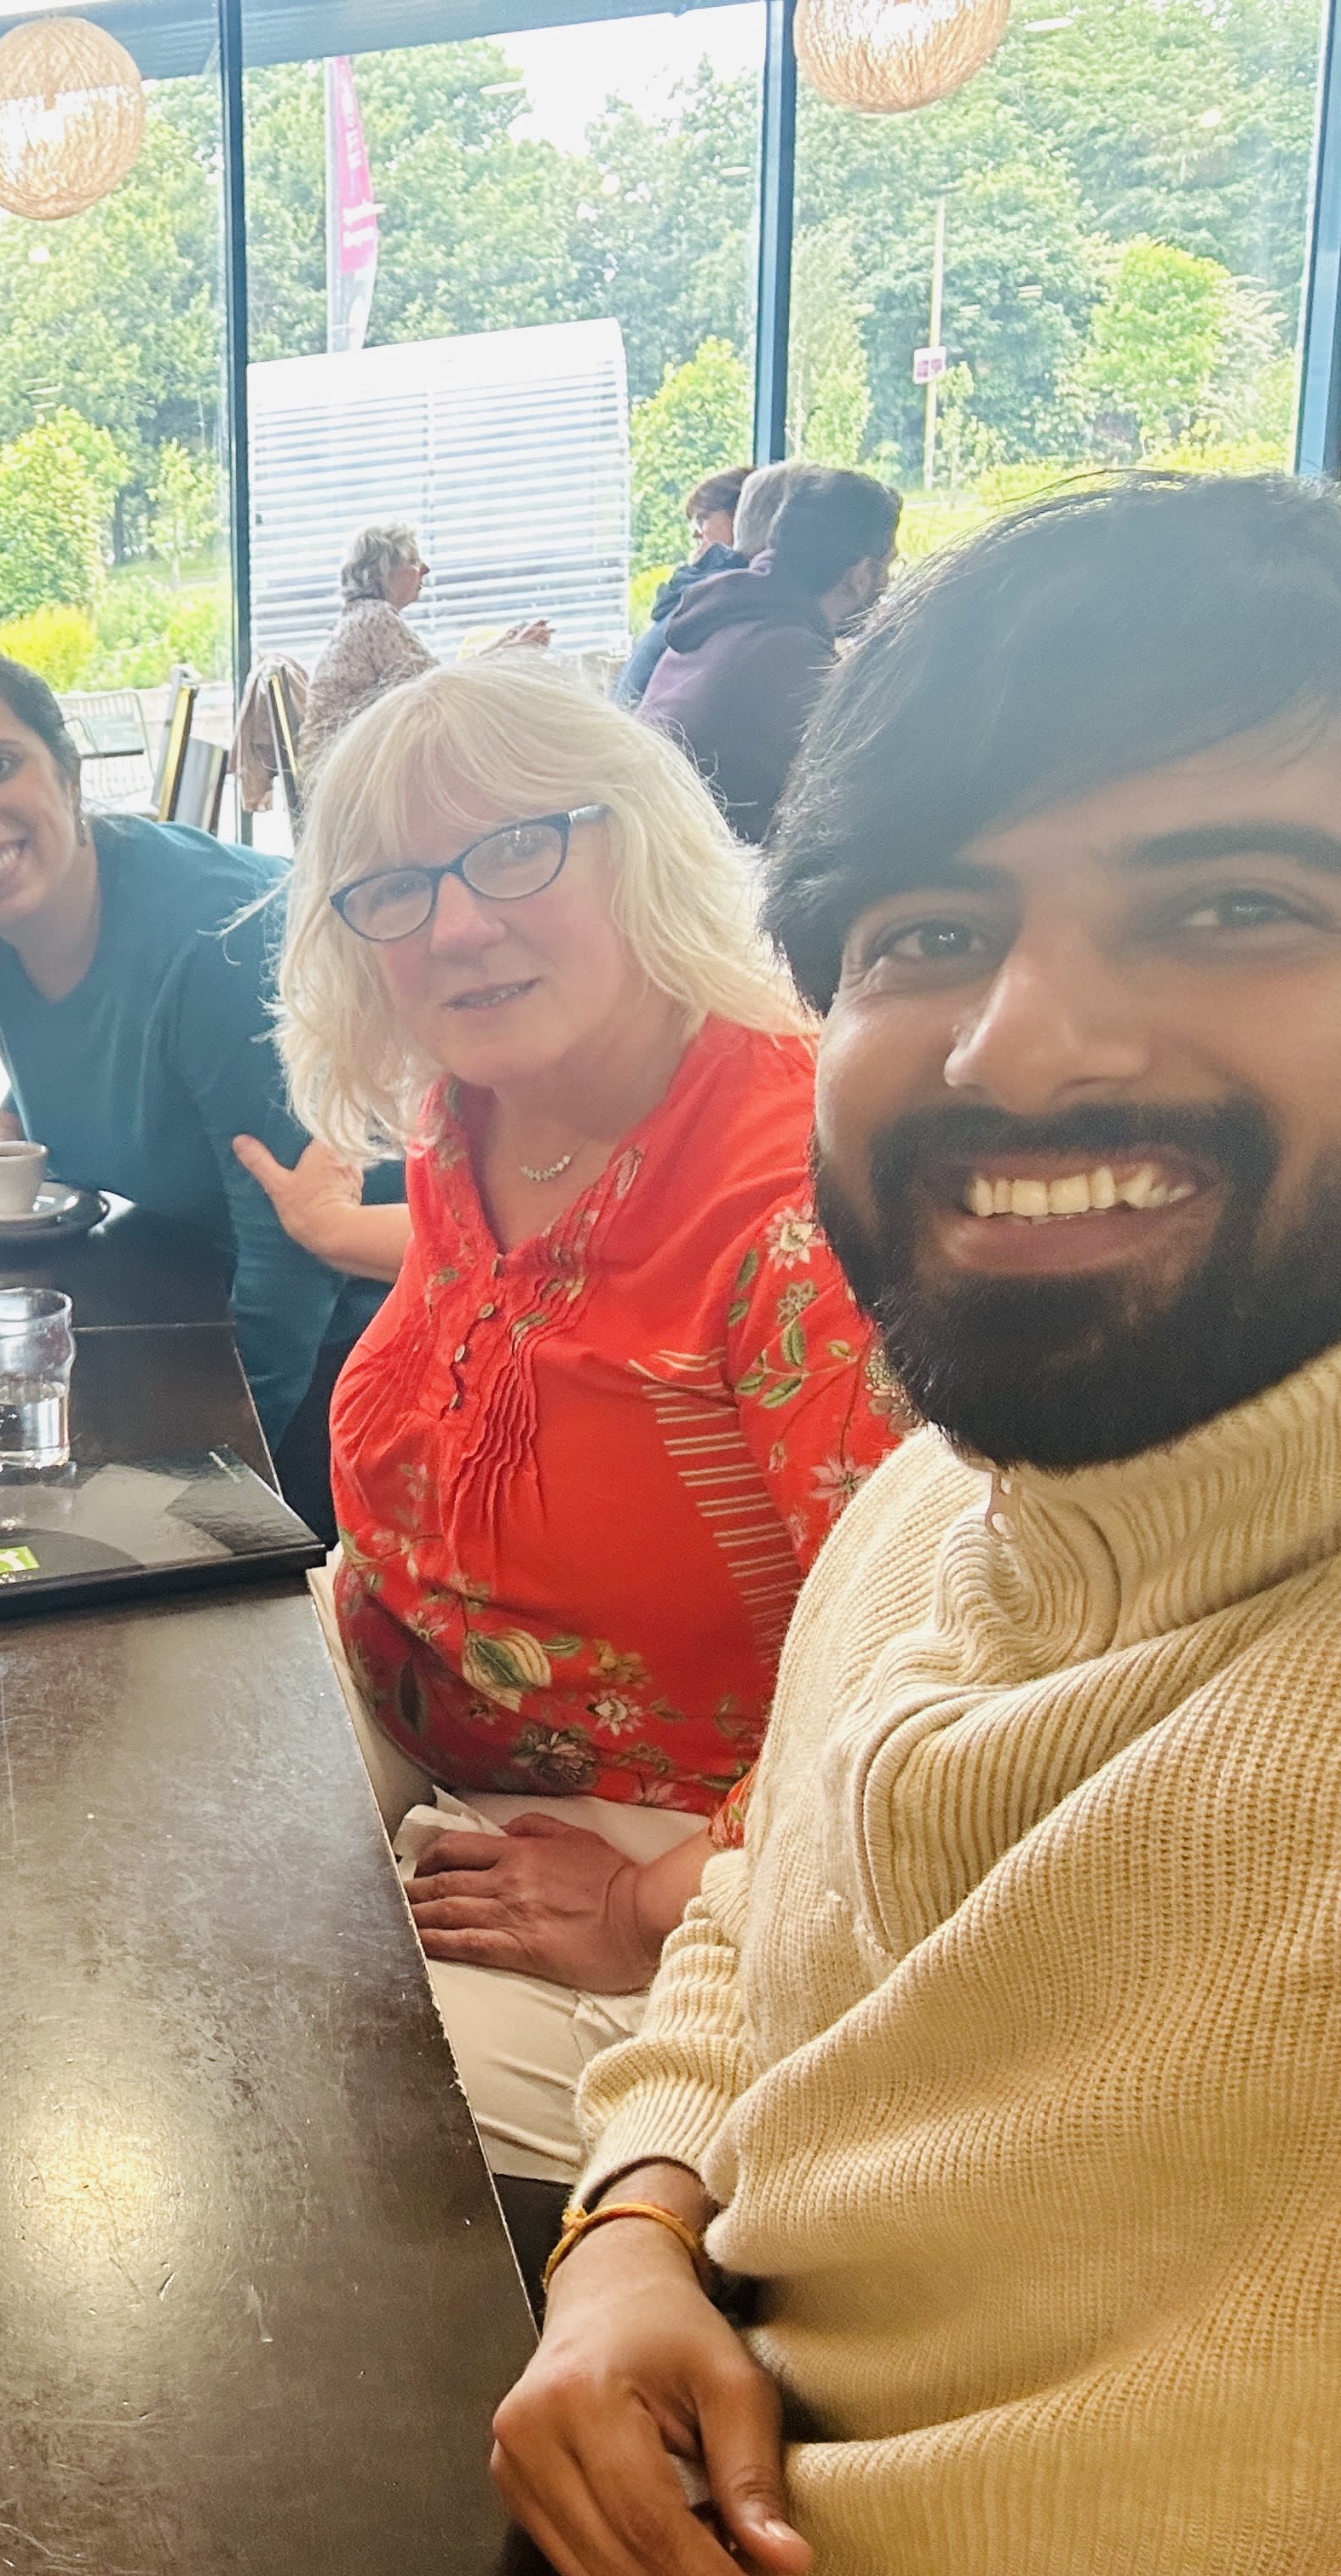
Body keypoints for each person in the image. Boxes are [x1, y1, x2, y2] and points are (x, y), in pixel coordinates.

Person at [493, 473, 1341, 2575]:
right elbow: (754, 1924)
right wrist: (635, 2227)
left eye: (1232, 905)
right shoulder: (936, 1501)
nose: (1020, 1046)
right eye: (930, 935)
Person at [256, 658, 909, 2193]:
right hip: (417, 1713)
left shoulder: (794, 1208)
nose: (456, 921)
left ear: (643, 842)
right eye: (396, 887)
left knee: (315, 2092)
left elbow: (907, 1688)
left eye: (514, 848)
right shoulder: (475, 1105)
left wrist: (644, 1908)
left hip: (694, 1852)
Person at [0, 651, 376, 1532]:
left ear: (68, 776)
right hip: (186, 1301)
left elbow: (297, 1264)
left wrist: (199, 1479)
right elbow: (88, 1044)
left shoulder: (216, 939)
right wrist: (6, 1128)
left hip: (357, 1348)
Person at [637, 462, 901, 842]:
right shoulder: (794, 661)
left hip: (657, 853)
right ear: (860, 574)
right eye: (888, 566)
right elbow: (866, 793)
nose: (888, 582)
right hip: (707, 876)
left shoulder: (729, 614)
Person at [307, 522, 551, 750]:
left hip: (347, 753)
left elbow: (435, 681)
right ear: (382, 573)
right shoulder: (375, 618)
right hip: (346, 761)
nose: (425, 569)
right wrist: (508, 651)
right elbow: (436, 690)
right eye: (413, 561)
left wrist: (503, 646)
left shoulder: (364, 616)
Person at [613, 464, 752, 710]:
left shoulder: (710, 596)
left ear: (740, 516)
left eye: (703, 519)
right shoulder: (713, 595)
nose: (695, 536)